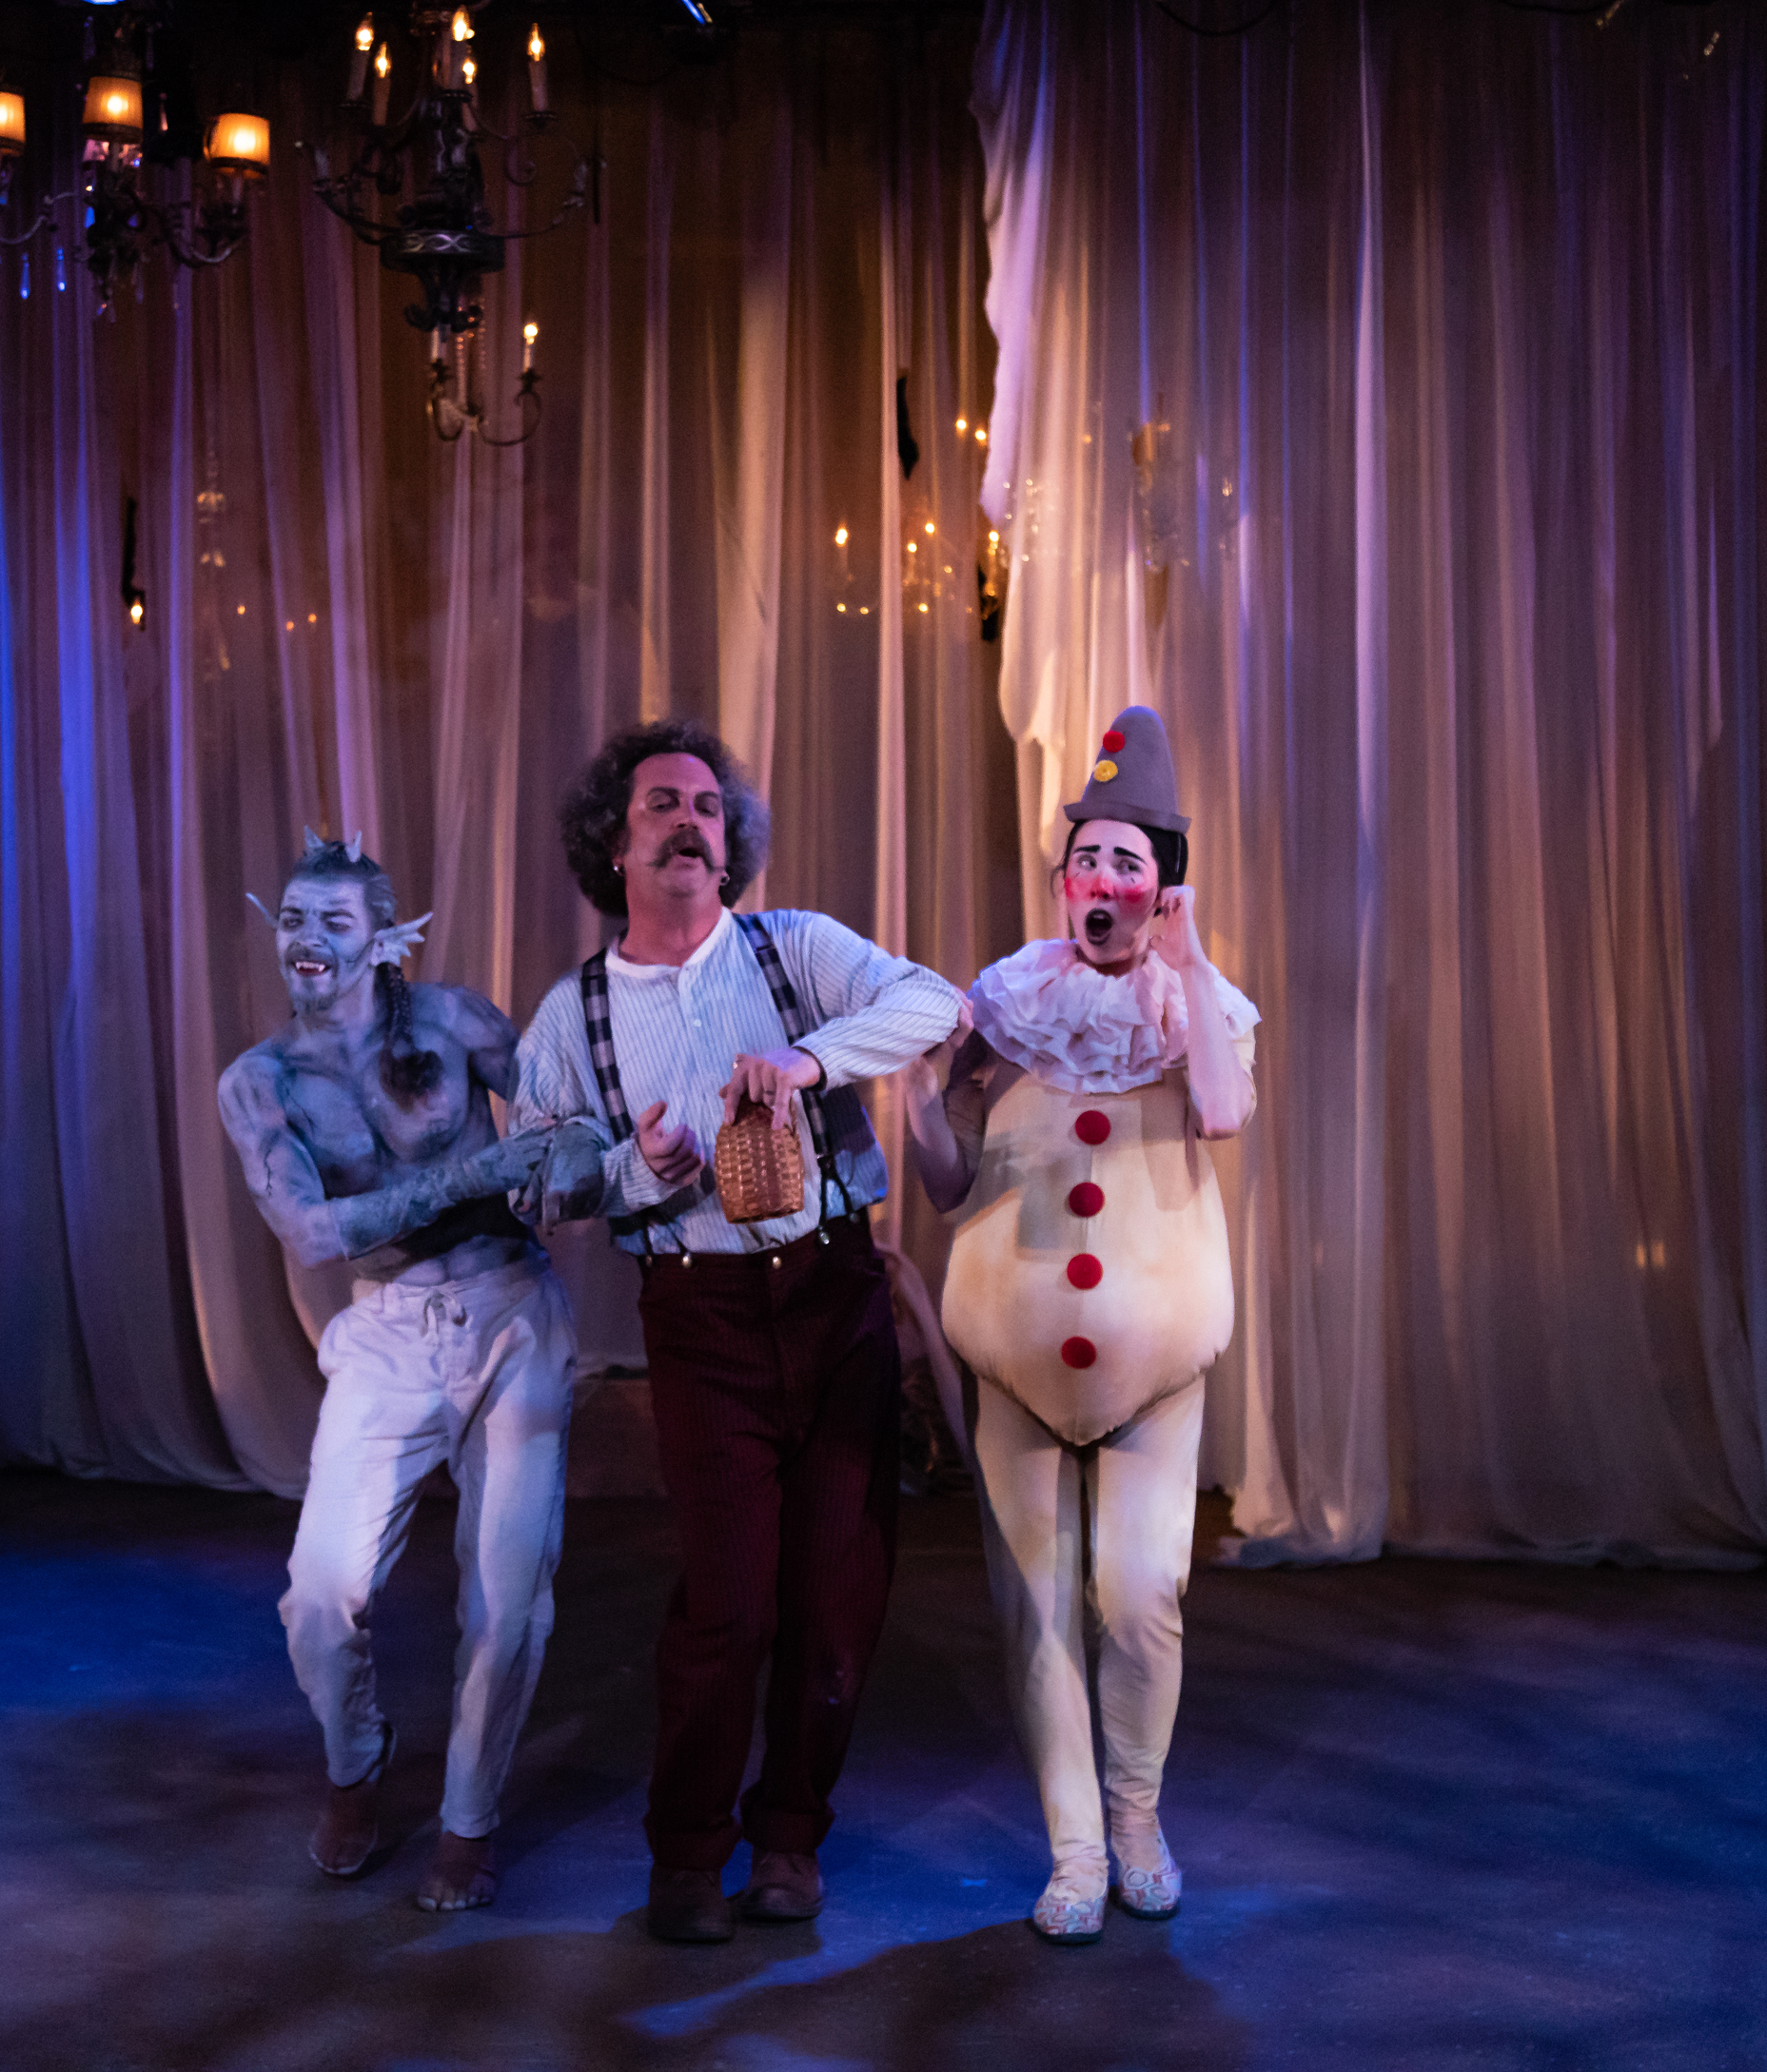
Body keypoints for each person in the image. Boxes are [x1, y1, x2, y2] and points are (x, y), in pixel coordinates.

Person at [510, 720, 963, 1944]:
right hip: (699, 1313)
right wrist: (636, 1166)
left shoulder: (791, 948)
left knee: (836, 1593)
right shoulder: (576, 1014)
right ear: (613, 842)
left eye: (709, 807)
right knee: (728, 1601)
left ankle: (789, 1837)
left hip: (832, 1293)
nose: (691, 823)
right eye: (663, 804)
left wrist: (807, 1062)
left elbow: (932, 1001)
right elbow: (535, 1180)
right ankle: (686, 1849)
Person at [901, 705, 1259, 1945]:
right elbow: (947, 1184)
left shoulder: (1194, 1009)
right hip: (1015, 1360)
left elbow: (1222, 1111)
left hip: (1153, 1369)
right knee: (1036, 1605)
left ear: (1164, 884)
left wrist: (1189, 959)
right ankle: (1073, 1851)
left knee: (1142, 1593)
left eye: (1128, 861)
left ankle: (1137, 1819)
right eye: (1086, 858)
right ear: (1062, 879)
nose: (1101, 880)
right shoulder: (1006, 1004)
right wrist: (919, 1093)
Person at [216, 831, 578, 1913]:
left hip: (511, 1312)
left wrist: (569, 1169)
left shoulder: (457, 1022)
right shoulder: (260, 1082)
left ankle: (469, 1818)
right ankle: (354, 1759)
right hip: (385, 1333)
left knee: (508, 1600)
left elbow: (565, 1129)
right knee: (320, 1591)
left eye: (334, 920)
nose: (307, 939)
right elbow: (311, 1234)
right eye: (293, 918)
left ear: (383, 939)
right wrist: (478, 1173)